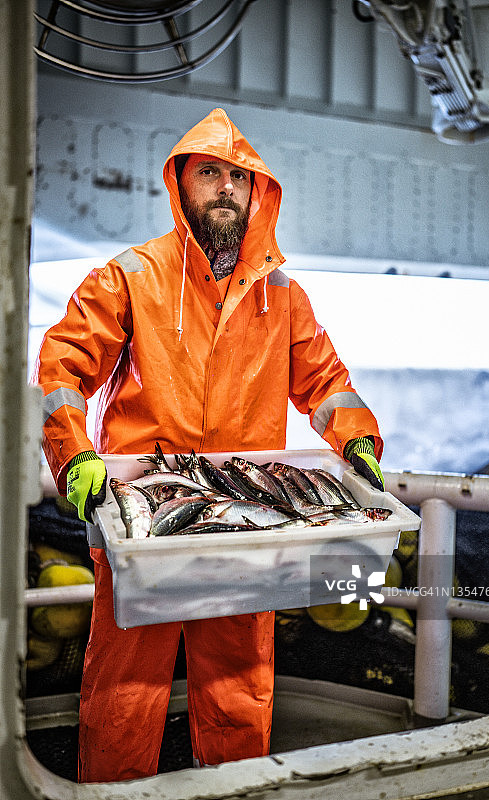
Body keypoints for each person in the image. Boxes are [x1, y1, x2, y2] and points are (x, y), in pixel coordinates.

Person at [34, 107, 385, 783]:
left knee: (240, 682)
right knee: (124, 688)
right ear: (180, 184)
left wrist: (359, 442)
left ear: (259, 193)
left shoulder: (283, 297)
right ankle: (112, 799)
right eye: (208, 173)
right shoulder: (129, 276)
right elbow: (63, 370)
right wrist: (73, 453)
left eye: (238, 176)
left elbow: (327, 386)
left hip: (242, 523)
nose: (225, 187)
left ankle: (234, 794)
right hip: (143, 521)